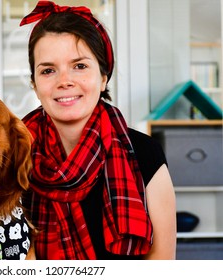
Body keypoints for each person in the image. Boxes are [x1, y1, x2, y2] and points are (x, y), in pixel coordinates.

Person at [19, 1, 176, 260]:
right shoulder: (12, 156)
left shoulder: (146, 155)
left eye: (80, 66)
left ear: (103, 77)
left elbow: (161, 267)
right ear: (34, 84)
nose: (64, 81)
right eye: (48, 70)